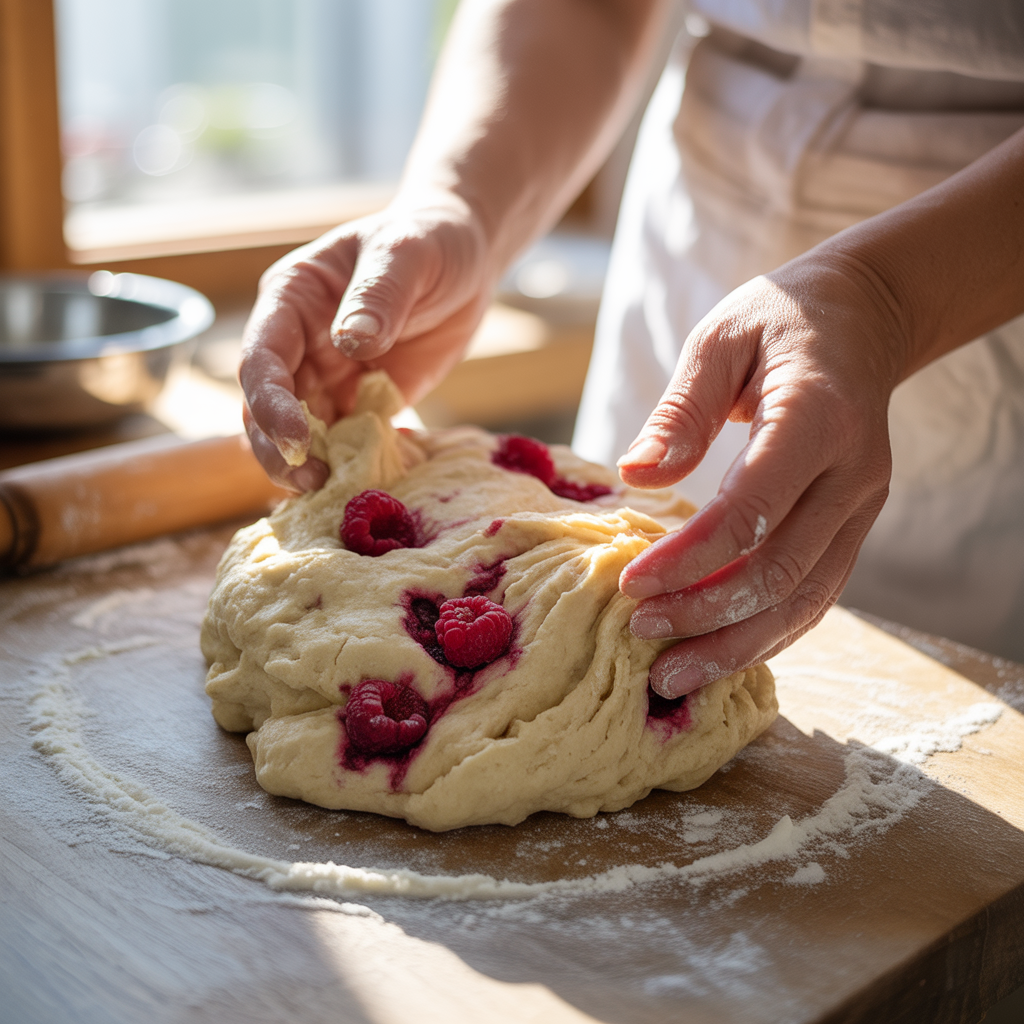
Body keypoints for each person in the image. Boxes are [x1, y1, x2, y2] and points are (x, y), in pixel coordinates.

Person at [238, 0, 1024, 700]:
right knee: (605, 624)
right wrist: (463, 202)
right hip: (705, 210)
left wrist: (888, 299)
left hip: (985, 264)